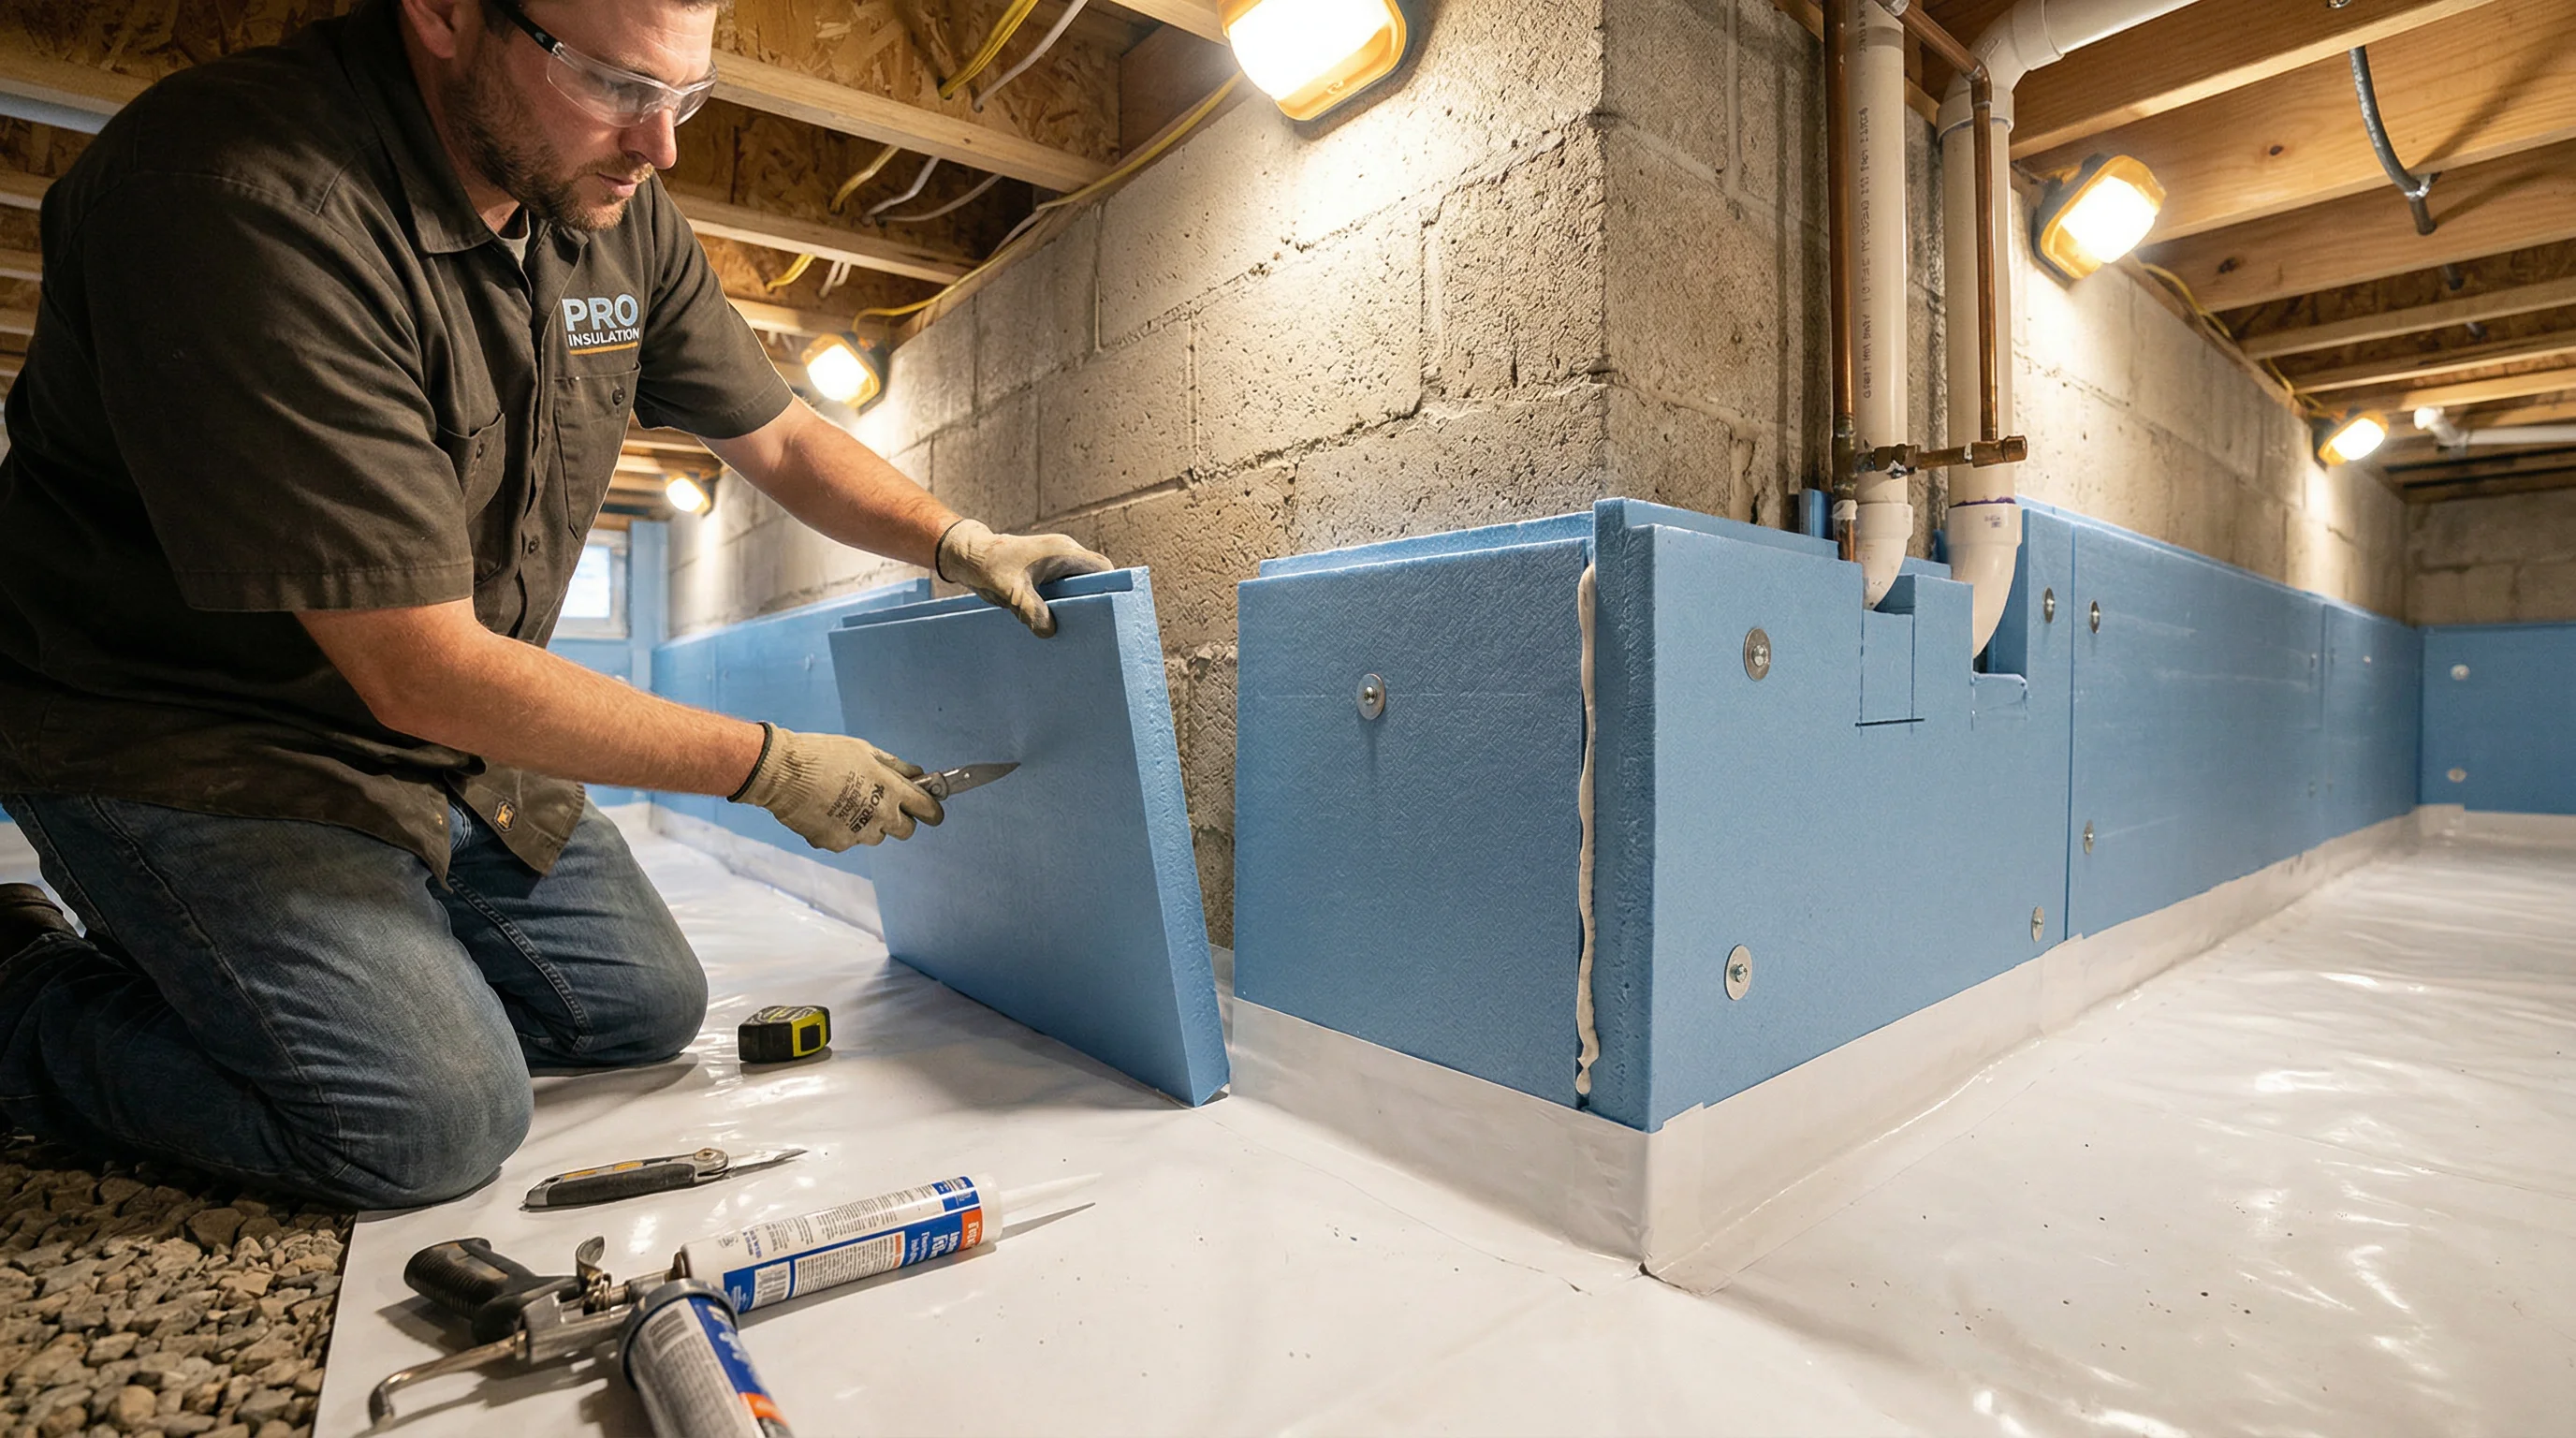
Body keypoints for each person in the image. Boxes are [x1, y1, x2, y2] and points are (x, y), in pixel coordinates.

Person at [0, 0, 1108, 1208]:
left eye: (686, 95)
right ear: (444, 13)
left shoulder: (603, 201)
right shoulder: (244, 198)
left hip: (442, 745)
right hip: (198, 737)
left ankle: (273, 970)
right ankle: (22, 994)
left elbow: (783, 438)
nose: (661, 146)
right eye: (617, 85)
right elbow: (421, 668)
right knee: (429, 1123)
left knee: (638, 1010)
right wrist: (770, 765)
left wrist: (958, 541)